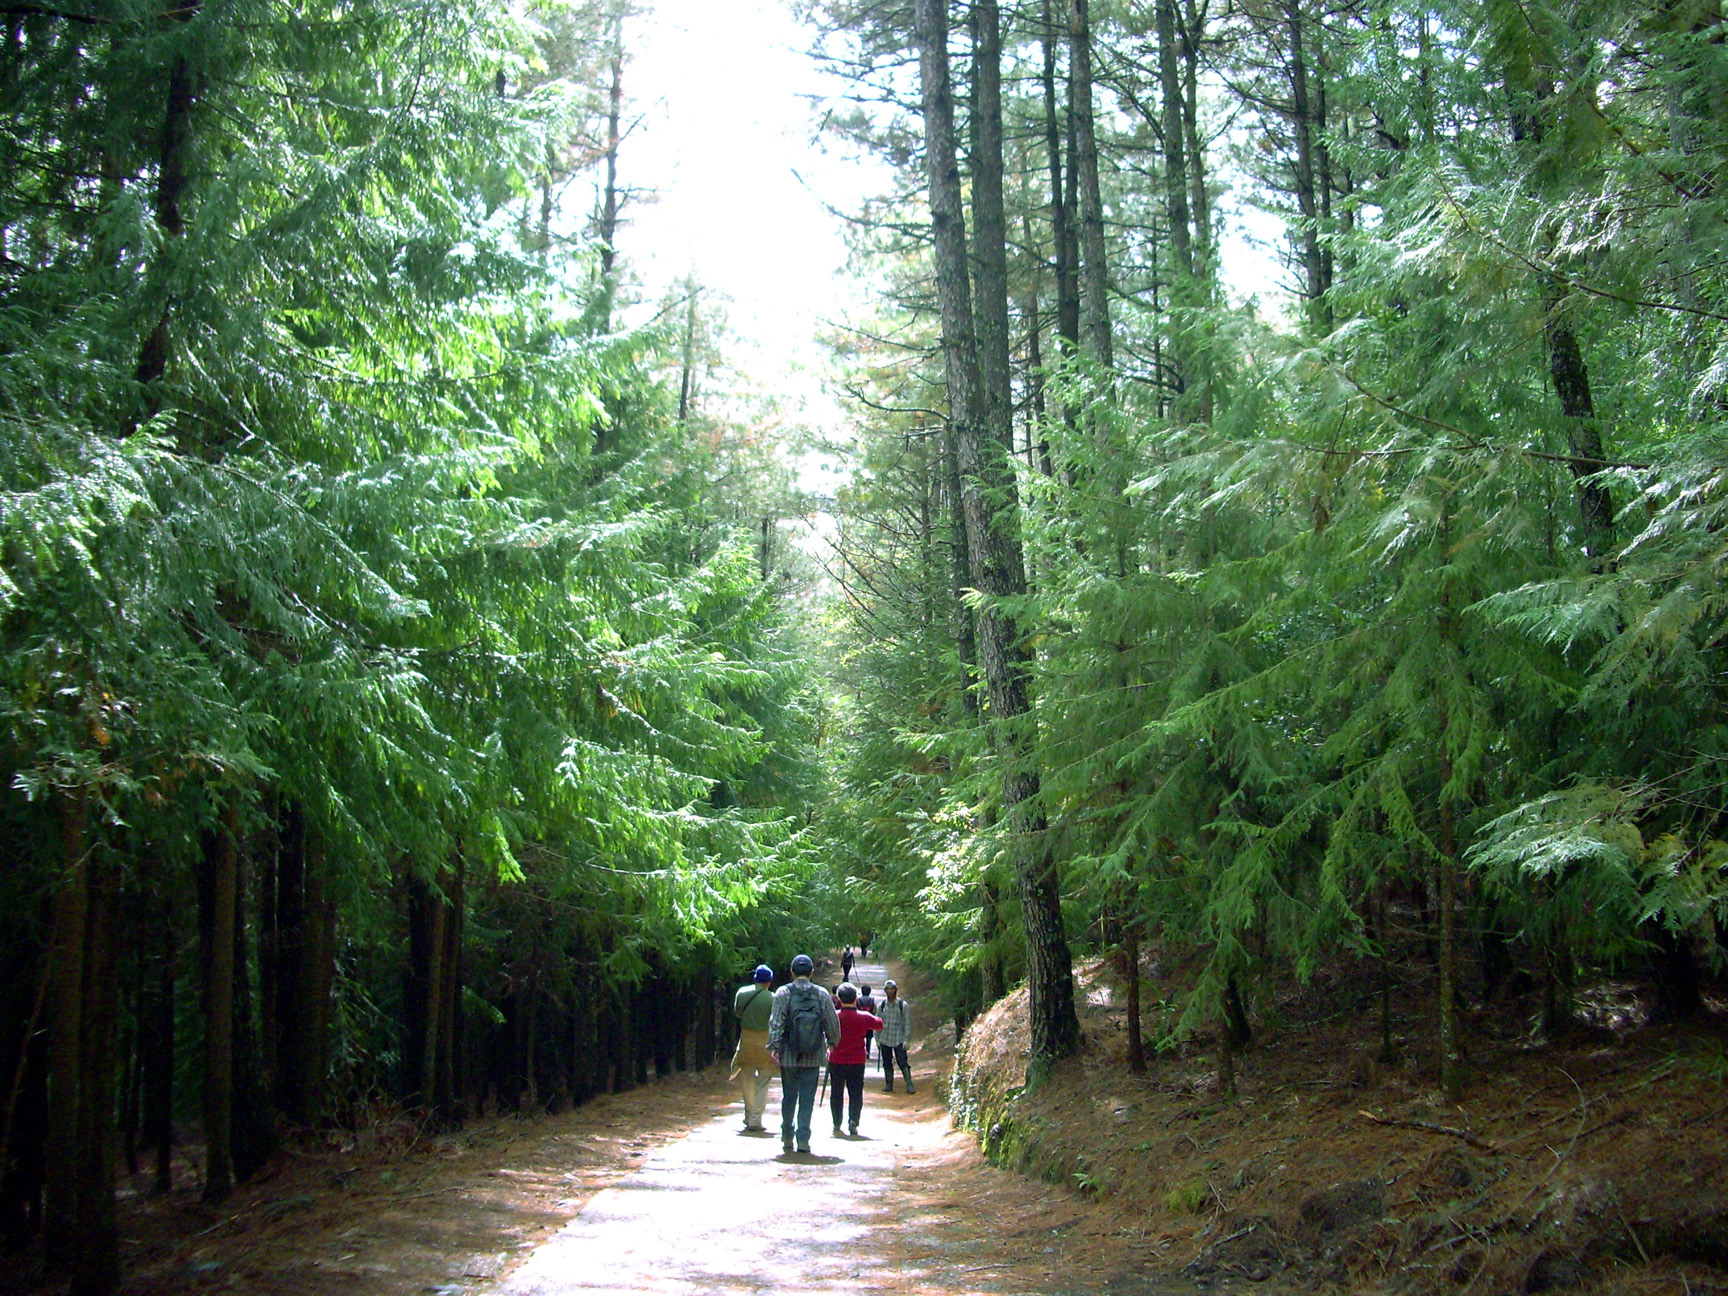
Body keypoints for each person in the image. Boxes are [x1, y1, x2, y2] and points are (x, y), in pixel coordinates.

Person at [766, 953, 840, 1154]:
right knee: (807, 1097)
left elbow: (776, 1022)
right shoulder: (821, 994)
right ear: (811, 972)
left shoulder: (783, 993)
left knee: (789, 1095)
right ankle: (803, 1140)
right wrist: (832, 1043)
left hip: (788, 1055)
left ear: (791, 972)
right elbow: (832, 1022)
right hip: (813, 1054)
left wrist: (774, 1047)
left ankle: (787, 1135)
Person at [828, 983, 882, 1139]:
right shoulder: (864, 1017)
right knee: (856, 1092)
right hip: (857, 1060)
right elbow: (879, 1024)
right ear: (856, 998)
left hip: (836, 1059)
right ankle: (853, 1120)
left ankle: (836, 1122)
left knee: (836, 1092)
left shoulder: (834, 1016)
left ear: (839, 998)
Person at [729, 964, 776, 1132]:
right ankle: (756, 1119)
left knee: (747, 1079)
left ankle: (748, 1115)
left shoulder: (742, 993)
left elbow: (738, 1013)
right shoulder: (773, 997)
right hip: (765, 1041)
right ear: (769, 981)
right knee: (763, 1082)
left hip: (747, 1039)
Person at [876, 978, 913, 1093]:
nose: (890, 991)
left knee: (903, 1062)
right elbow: (877, 1023)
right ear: (885, 991)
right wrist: (877, 1039)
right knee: (887, 1063)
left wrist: (907, 1040)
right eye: (888, 989)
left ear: (896, 990)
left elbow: (907, 1023)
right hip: (885, 1038)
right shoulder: (881, 1006)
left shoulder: (903, 1005)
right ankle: (889, 1084)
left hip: (899, 1039)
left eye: (892, 989)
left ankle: (909, 1084)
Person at [856, 983, 877, 1061]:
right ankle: (868, 1053)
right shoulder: (872, 1000)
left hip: (859, 1023)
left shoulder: (858, 1000)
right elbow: (875, 1011)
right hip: (869, 1023)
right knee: (869, 1039)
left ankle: (860, 1053)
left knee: (860, 1039)